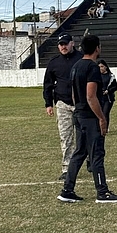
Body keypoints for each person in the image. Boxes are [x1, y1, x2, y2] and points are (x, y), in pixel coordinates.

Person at [56, 35, 117, 203]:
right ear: (97, 48)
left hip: (78, 114)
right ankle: (102, 192)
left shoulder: (76, 66)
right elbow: (91, 96)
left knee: (80, 152)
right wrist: (101, 118)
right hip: (90, 117)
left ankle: (67, 190)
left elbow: (73, 93)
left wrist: (77, 109)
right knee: (97, 153)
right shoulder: (92, 68)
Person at [43, 33, 83, 180]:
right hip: (62, 104)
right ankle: (67, 168)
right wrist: (48, 103)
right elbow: (47, 84)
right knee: (66, 137)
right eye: (61, 44)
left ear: (72, 43)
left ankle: (91, 160)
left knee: (85, 135)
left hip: (82, 103)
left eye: (66, 43)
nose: (63, 46)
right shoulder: (54, 63)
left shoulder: (82, 59)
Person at [97, 59, 117, 130]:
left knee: (105, 112)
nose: (101, 68)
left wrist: (108, 91)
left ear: (105, 67)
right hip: (99, 98)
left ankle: (105, 128)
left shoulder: (111, 76)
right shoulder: (96, 76)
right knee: (99, 112)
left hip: (108, 98)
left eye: (102, 66)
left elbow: (115, 86)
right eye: (99, 67)